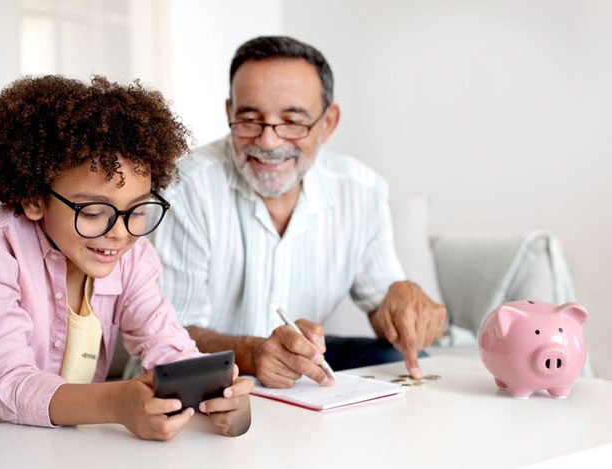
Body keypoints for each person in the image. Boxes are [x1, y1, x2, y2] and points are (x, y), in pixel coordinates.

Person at [0, 75, 252, 439]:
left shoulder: (133, 257)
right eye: (92, 211)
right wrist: (115, 403)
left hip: (66, 446)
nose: (119, 232)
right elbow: (4, 380)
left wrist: (220, 395)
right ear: (33, 197)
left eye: (137, 211)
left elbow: (166, 344)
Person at [153, 35, 448, 389]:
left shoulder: (363, 190)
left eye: (292, 122)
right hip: (206, 373)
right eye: (249, 119)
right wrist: (252, 353)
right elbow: (166, 335)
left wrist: (404, 304)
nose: (268, 142)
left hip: (301, 365)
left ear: (328, 123)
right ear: (229, 112)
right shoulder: (186, 187)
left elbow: (383, 304)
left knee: (394, 361)